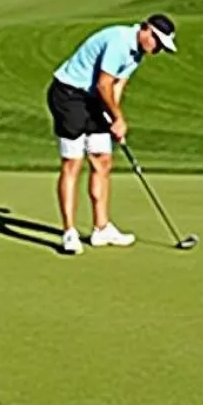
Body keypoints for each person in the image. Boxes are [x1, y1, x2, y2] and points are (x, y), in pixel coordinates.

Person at [47, 13, 177, 255]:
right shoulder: (119, 40)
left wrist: (112, 119)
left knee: (102, 160)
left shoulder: (137, 54)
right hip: (68, 95)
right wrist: (117, 119)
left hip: (94, 99)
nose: (157, 49)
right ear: (146, 30)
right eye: (157, 42)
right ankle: (69, 233)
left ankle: (101, 228)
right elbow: (103, 84)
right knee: (73, 163)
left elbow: (116, 87)